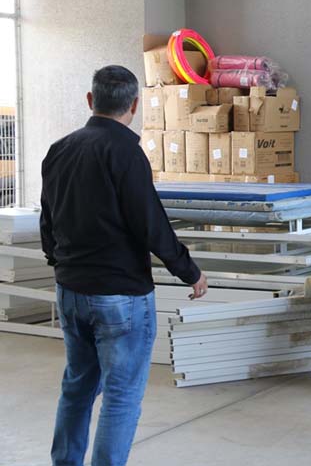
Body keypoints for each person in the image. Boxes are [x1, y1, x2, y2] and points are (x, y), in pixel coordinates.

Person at [41, 65, 207, 466]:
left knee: (78, 386)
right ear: (135, 105)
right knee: (121, 395)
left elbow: (48, 219)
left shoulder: (59, 150)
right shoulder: (127, 153)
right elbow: (149, 223)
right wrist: (189, 271)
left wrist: (59, 264)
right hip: (120, 296)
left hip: (71, 290)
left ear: (90, 100)